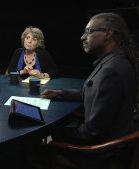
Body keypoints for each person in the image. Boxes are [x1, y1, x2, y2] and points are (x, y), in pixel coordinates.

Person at [41, 13, 138, 168]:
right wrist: (61, 92)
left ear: (108, 33)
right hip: (111, 143)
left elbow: (91, 132)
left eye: (89, 31)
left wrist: (51, 133)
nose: (82, 37)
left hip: (99, 155)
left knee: (37, 149)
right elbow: (96, 92)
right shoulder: (116, 60)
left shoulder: (111, 70)